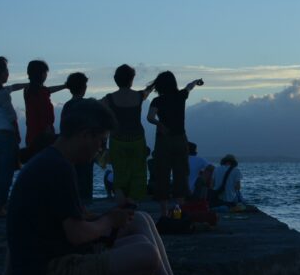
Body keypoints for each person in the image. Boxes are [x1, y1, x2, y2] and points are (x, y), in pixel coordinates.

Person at [4, 98, 190, 275]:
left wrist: (107, 219)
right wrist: (109, 221)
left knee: (139, 225)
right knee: (145, 254)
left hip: (54, 261)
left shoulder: (50, 161)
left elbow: (22, 226)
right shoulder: (58, 168)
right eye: (101, 141)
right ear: (85, 135)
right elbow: (77, 234)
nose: (101, 149)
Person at [146, 72, 203, 218]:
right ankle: (179, 211)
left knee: (162, 174)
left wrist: (160, 124)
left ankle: (164, 213)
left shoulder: (157, 101)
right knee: (181, 174)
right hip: (180, 139)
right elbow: (189, 87)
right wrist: (196, 81)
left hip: (163, 140)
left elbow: (150, 117)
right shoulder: (181, 95)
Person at [102, 65, 154, 205]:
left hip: (117, 140)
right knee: (138, 174)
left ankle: (121, 205)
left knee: (119, 175)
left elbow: (96, 109)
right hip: (137, 139)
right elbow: (147, 91)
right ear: (131, 80)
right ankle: (132, 203)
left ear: (115, 80)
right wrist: (153, 85)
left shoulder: (109, 99)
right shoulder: (138, 96)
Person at [0, 56, 27, 217]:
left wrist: (26, 85)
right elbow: (12, 116)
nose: (8, 73)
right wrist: (17, 134)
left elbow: (13, 87)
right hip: (6, 135)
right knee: (6, 173)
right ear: (1, 73)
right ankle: (1, 206)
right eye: (7, 71)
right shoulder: (3, 95)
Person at [22, 59, 67, 160]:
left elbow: (48, 90)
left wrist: (64, 86)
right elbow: (44, 116)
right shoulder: (41, 93)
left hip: (31, 136)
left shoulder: (28, 91)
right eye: (45, 73)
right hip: (43, 137)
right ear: (41, 74)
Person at [61, 72, 95, 202]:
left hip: (70, 148)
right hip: (86, 146)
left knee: (72, 179)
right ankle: (85, 206)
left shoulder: (67, 106)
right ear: (83, 87)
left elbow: (64, 128)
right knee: (85, 179)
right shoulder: (89, 105)